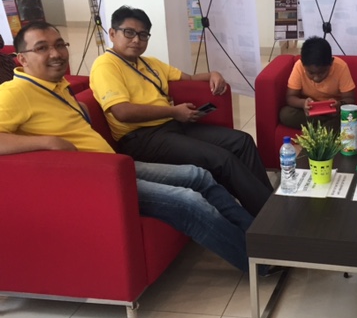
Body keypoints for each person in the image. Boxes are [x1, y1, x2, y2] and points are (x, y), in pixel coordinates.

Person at [0, 22, 259, 274]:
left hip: (114, 166)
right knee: (188, 200)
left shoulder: (57, 86)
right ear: (22, 59)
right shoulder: (15, 92)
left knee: (199, 175)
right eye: (42, 48)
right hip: (94, 182)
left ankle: (263, 241)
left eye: (59, 45)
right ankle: (258, 261)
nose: (55, 53)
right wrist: (48, 142)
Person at [89, 6, 272, 217]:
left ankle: (271, 201)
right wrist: (173, 112)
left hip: (172, 126)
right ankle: (267, 217)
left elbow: (189, 78)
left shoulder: (150, 63)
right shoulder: (105, 65)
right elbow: (122, 112)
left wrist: (213, 74)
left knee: (242, 141)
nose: (136, 40)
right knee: (222, 159)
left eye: (143, 35)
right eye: (129, 33)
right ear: (113, 33)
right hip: (141, 138)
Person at [279, 36, 356, 131]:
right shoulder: (299, 66)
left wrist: (339, 104)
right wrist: (303, 103)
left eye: (322, 73)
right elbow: (290, 97)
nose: (316, 78)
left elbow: (350, 99)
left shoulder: (341, 67)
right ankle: (326, 129)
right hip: (311, 113)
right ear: (303, 63)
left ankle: (322, 129)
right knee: (286, 114)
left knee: (349, 115)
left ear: (331, 63)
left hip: (334, 113)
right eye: (311, 73)